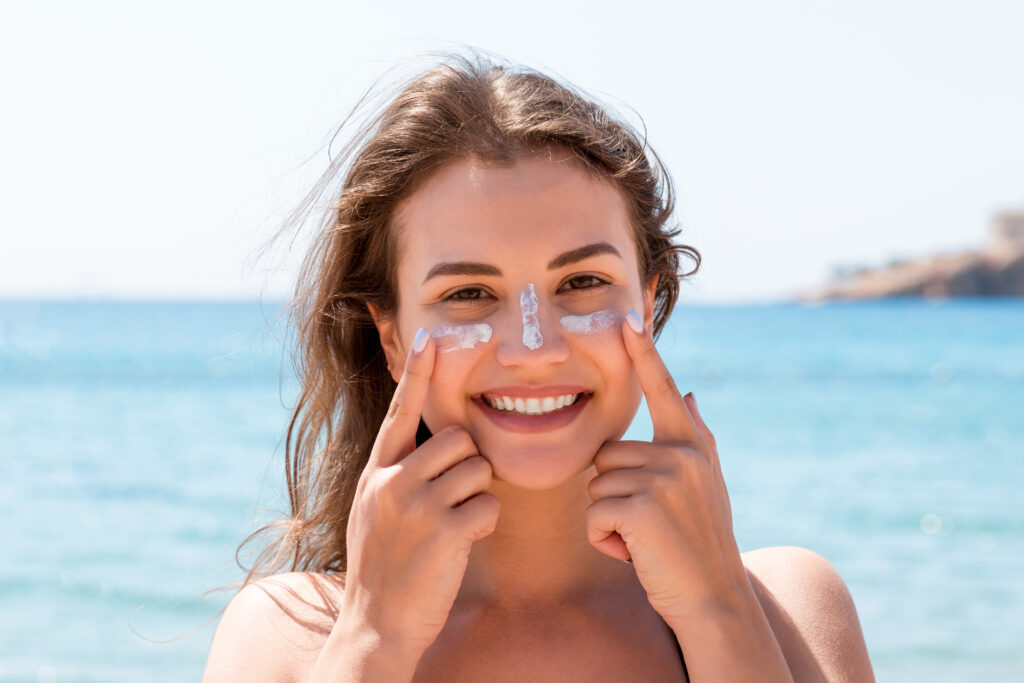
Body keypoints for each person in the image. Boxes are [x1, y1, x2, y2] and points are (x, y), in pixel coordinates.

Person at [202, 51, 875, 682]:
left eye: (582, 281)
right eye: (468, 293)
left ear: (647, 299)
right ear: (392, 337)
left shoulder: (791, 606)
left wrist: (719, 608)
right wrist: (375, 637)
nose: (534, 346)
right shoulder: (293, 637)